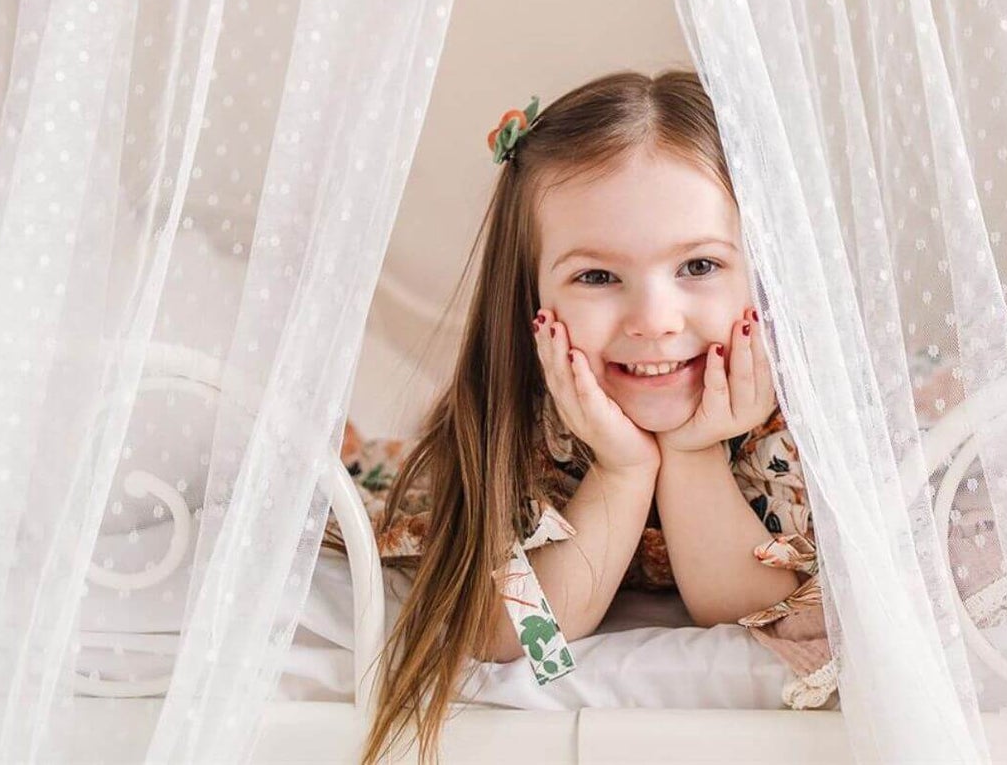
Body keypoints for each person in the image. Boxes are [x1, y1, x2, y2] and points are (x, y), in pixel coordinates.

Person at [329, 69, 834, 765]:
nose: (655, 321)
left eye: (698, 264)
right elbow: (518, 639)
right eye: (596, 277)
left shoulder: (793, 419)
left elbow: (759, 615)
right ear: (529, 296)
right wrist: (624, 469)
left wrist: (693, 456)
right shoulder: (522, 419)